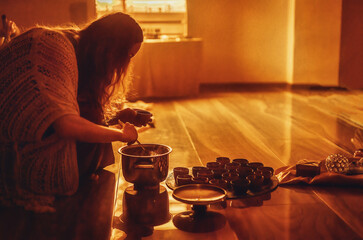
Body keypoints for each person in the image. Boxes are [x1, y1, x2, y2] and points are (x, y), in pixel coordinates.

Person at [0, 12, 150, 212]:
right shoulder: (54, 46)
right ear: (111, 49)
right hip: (14, 154)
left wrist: (118, 117)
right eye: (127, 56)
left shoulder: (78, 49)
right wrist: (122, 135)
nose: (124, 64)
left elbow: (74, 110)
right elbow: (66, 124)